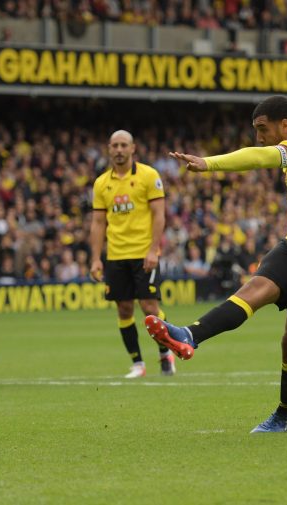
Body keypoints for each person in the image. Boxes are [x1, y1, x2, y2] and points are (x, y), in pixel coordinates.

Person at [146, 96, 287, 432]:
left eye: (262, 128)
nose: (259, 136)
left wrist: (208, 163)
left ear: (285, 125)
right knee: (254, 289)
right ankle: (189, 335)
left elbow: (261, 157)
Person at [89, 129, 175, 379]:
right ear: (108, 148)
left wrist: (153, 249)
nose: (119, 149)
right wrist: (96, 257)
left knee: (149, 307)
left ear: (132, 148)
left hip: (143, 253)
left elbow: (159, 215)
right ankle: (138, 363)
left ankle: (165, 353)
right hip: (115, 256)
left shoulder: (149, 175)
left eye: (123, 145)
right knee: (124, 309)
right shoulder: (101, 183)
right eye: (114, 145)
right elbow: (97, 223)